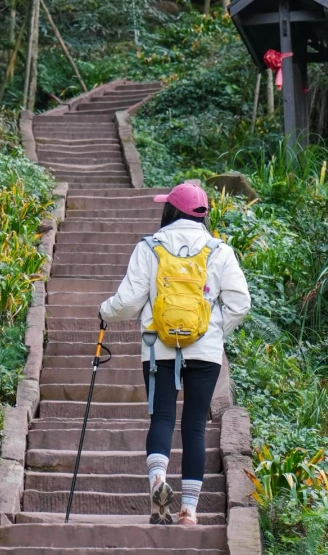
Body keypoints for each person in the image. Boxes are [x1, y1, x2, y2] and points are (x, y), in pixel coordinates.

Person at [98, 180, 251, 526]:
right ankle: (190, 511)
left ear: (170, 209)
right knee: (195, 424)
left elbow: (128, 300)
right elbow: (241, 303)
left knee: (162, 417)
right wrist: (214, 331)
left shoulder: (150, 247)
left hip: (157, 347)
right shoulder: (219, 250)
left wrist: (105, 311)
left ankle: (157, 481)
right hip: (205, 349)